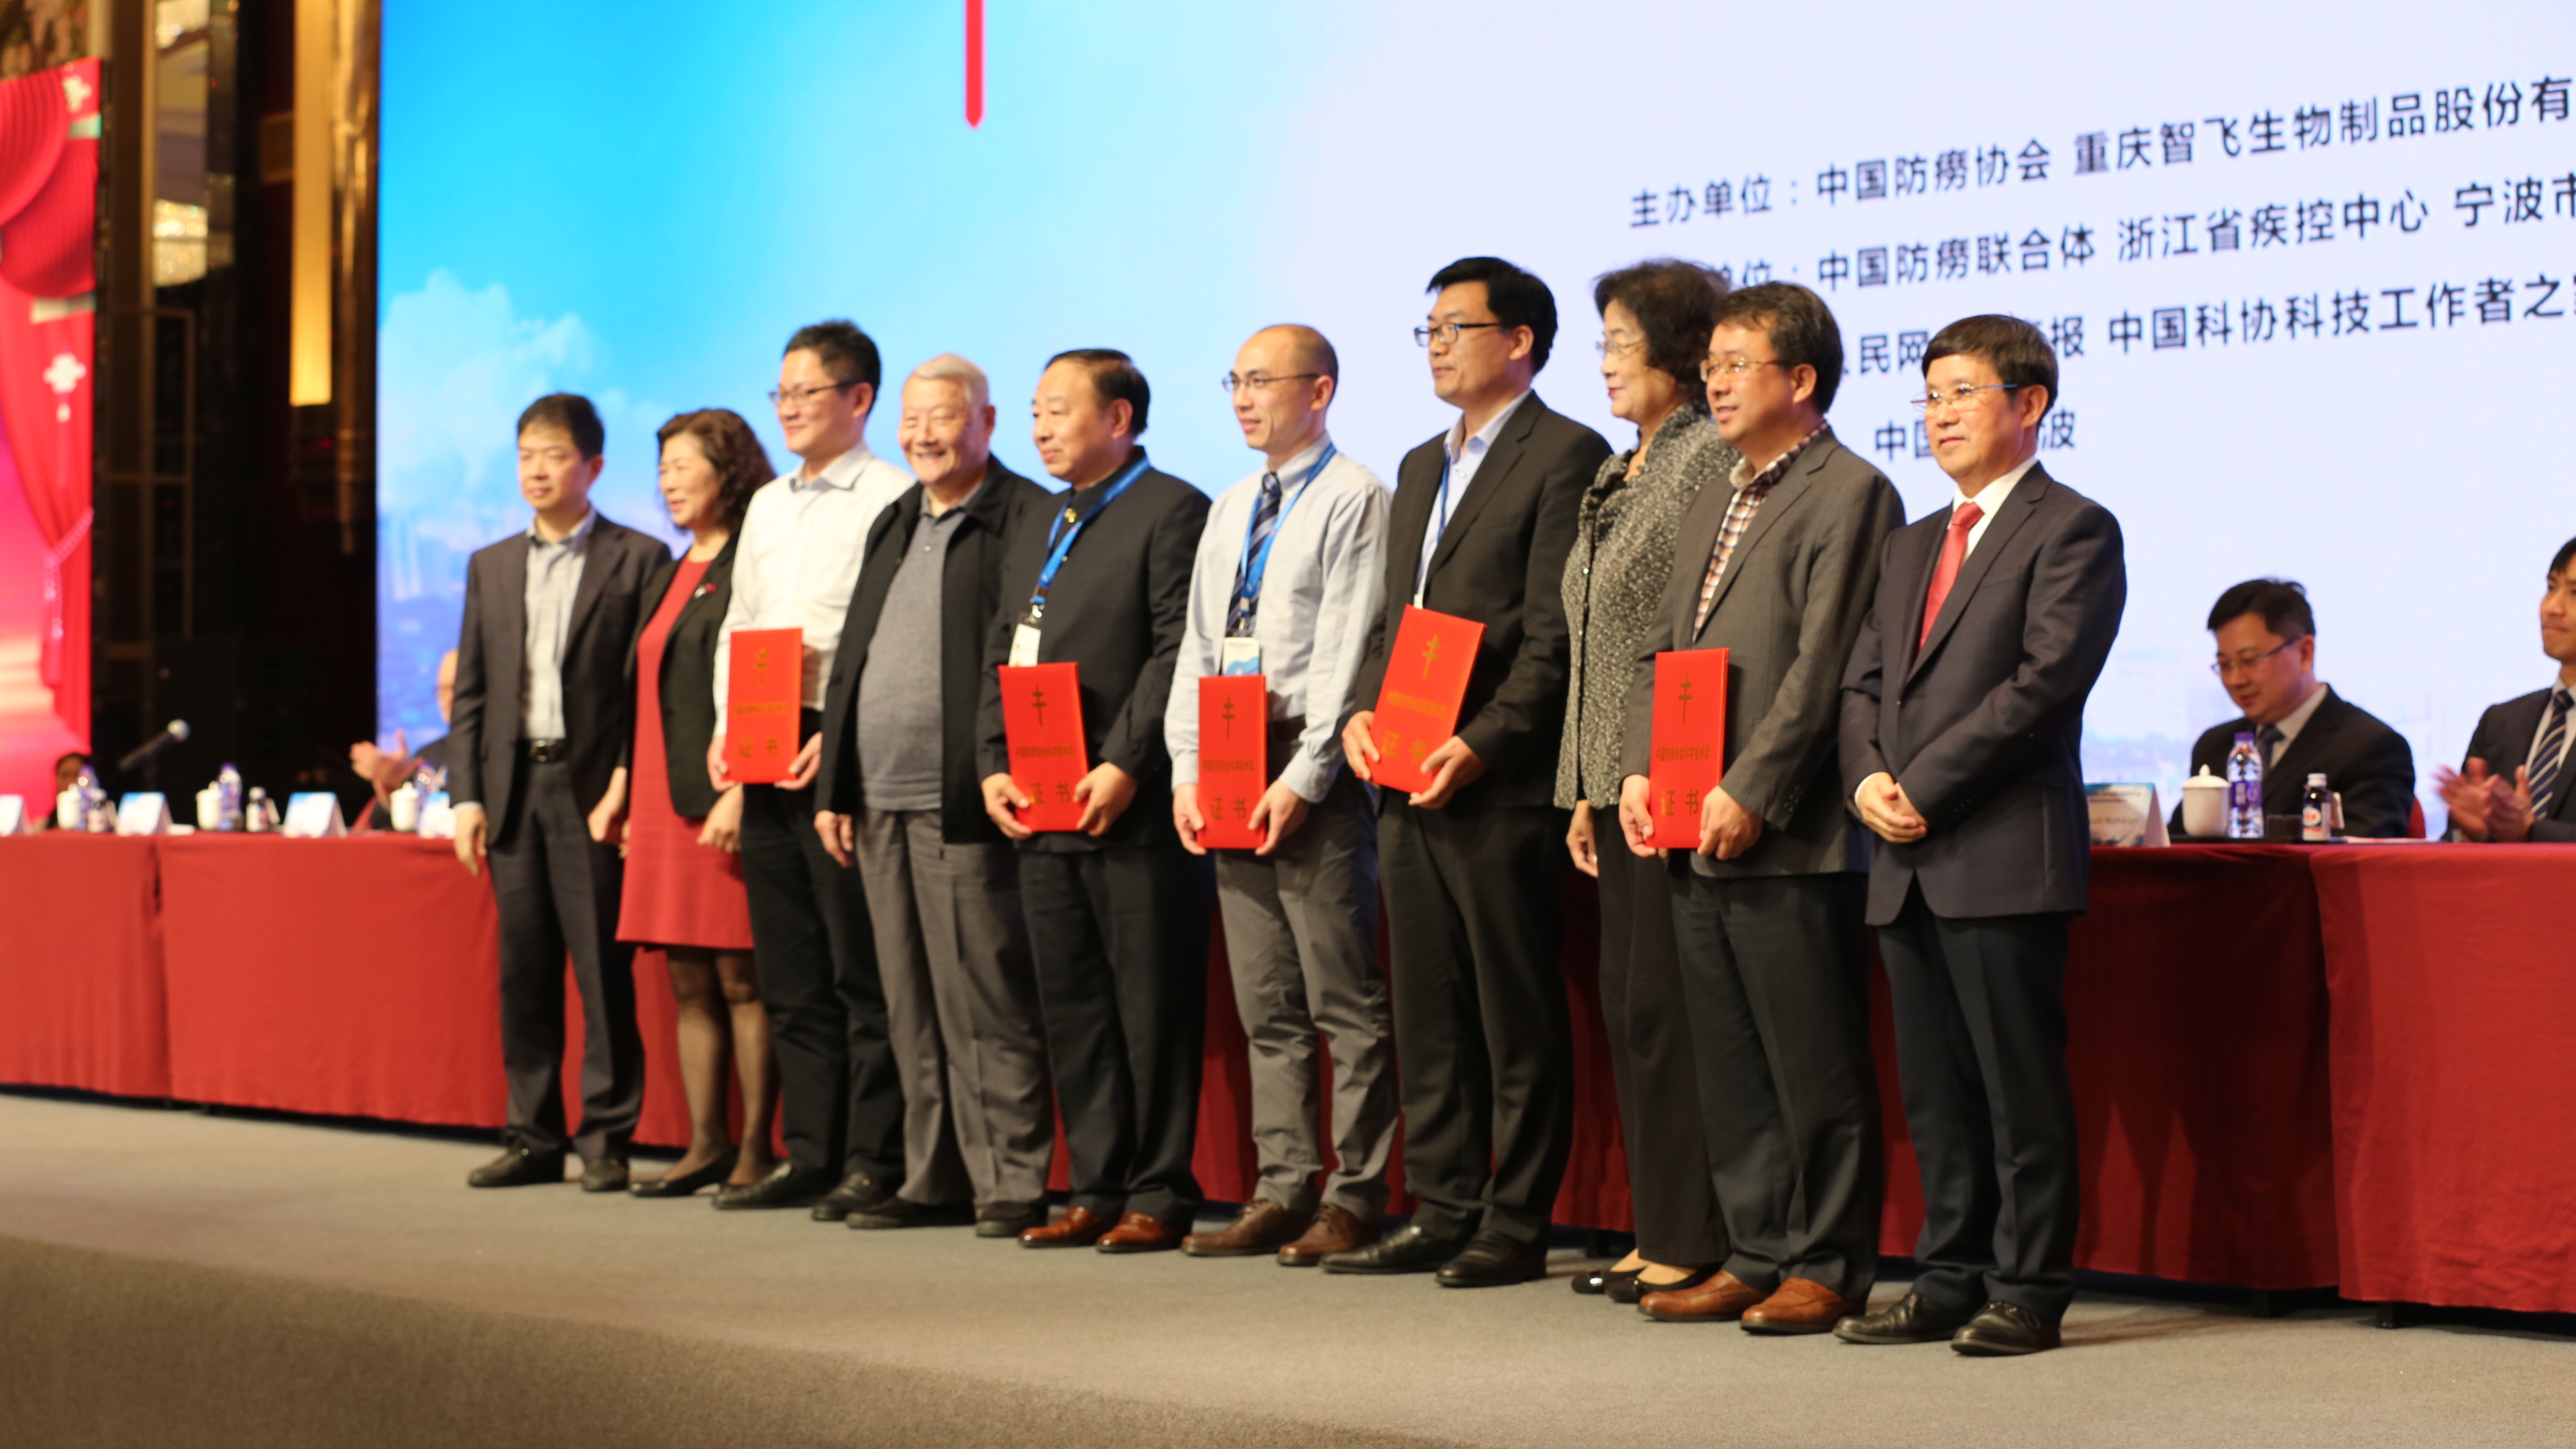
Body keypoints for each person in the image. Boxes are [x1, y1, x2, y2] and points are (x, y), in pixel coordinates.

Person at [1613, 280, 1903, 1332]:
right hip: (1691, 820)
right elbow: (1662, 649)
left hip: (1791, 831)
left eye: (1737, 366)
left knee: (1811, 1060)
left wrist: (1753, 788)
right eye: (1711, 368)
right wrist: (1641, 768)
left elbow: (1825, 667)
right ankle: (1755, 1249)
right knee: (1729, 1059)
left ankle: (1827, 1262)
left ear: (1802, 378)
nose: (1716, 385)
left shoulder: (1852, 491)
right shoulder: (1714, 493)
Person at [1835, 316, 2125, 1356]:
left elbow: (2042, 686)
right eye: (1930, 396)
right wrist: (1867, 778)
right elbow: (1862, 683)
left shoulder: (2074, 528)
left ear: (2029, 402)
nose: (1940, 414)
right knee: (1936, 1095)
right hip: (1902, 856)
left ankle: (2029, 1288)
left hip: (2001, 850)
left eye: (1963, 392)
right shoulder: (1910, 542)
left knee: (2015, 1089)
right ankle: (1947, 1277)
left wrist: (1923, 784)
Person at [1328, 257, 1612, 1287]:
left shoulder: (1568, 454)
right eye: (1430, 330)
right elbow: (1396, 619)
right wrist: (1362, 712)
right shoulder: (1420, 464)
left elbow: (1554, 637)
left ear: (1520, 341)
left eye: (1457, 327)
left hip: (1499, 782)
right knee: (1430, 1007)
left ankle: (1517, 1218)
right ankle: (1442, 1204)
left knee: (1512, 1009)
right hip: (1405, 772)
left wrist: (1484, 742)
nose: (1438, 345)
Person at [1166, 325, 1397, 1266]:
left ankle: (1356, 1195)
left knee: (1344, 998)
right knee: (1266, 1002)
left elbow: (1349, 645)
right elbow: (1198, 647)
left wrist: (1305, 776)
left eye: (1262, 381)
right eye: (1236, 381)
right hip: (1228, 757)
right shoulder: (1232, 506)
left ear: (1320, 390)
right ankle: (1280, 1185)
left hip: (1312, 767)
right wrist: (1185, 769)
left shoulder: (1355, 495)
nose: (1243, 398)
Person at [813, 356, 1056, 1238]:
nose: (922, 435)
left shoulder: (1025, 516)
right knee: (908, 1002)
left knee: (984, 998)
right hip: (877, 798)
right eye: (911, 419)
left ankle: (1010, 1180)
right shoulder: (896, 517)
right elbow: (852, 656)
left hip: (964, 798)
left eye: (942, 417)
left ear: (985, 421)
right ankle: (932, 1175)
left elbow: (1024, 657)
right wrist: (835, 785)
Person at [977, 348, 1212, 1254]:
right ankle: (1095, 1186)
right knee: (1073, 1006)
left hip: (1129, 807)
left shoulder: (1172, 509)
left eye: (1058, 409)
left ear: (1118, 418)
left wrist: (1123, 764)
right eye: (1034, 411)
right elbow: (1004, 648)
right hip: (1040, 802)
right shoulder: (1045, 516)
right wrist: (992, 761)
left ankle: (1159, 1190)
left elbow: (1173, 652)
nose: (1040, 427)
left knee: (1151, 1007)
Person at [1550, 261, 1737, 1303]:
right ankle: (1657, 1224)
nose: (1606, 364)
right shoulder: (1627, 466)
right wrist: (1584, 781)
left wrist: (1638, 769)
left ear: (1677, 350)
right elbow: (1595, 640)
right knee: (1631, 1008)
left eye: (1621, 342)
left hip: (1676, 773)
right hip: (1615, 779)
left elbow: (1677, 637)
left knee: (1667, 1010)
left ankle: (1691, 1233)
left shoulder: (1707, 456)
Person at [705, 321, 916, 1218]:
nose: (787, 409)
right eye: (780, 394)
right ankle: (810, 1152)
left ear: (859, 398)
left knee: (858, 967)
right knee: (790, 970)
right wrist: (726, 727)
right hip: (759, 734)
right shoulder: (766, 504)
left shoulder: (892, 496)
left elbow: (893, 638)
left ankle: (875, 1157)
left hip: (841, 739)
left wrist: (845, 734)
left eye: (806, 393)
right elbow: (741, 620)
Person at [447, 393, 668, 1191]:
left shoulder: (638, 558)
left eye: (555, 455)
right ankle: (532, 1137)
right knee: (525, 972)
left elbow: (645, 693)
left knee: (603, 972)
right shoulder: (491, 564)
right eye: (526, 456)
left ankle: (607, 1140)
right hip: (512, 791)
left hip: (592, 791)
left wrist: (628, 787)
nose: (537, 470)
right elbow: (472, 692)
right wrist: (466, 798)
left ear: (593, 466)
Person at [584, 409, 777, 1199]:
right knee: (687, 982)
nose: (667, 481)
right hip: (661, 802)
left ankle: (756, 1150)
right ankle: (705, 1144)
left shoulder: (753, 559)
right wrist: (622, 790)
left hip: (721, 797)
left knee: (742, 982)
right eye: (661, 468)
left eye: (682, 465)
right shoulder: (667, 569)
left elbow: (762, 675)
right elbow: (644, 695)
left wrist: (742, 788)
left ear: (727, 471)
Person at [2169, 580, 2415, 840]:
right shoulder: (2215, 746)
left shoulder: (2370, 748)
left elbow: (2356, 854)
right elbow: (2176, 844)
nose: (2236, 679)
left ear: (2305, 653)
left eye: (2250, 660)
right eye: (2225, 665)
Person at [2437, 536, 2576, 843]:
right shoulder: (2500, 722)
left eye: (2574, 593)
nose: (2552, 608)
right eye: (2551, 588)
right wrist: (2474, 833)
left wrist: (2530, 831)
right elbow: (2452, 841)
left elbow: (2526, 831)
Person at [350, 651, 456, 826]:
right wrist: (392, 784)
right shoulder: (428, 754)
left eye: (456, 688)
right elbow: (383, 822)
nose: (449, 698)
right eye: (442, 690)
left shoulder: (498, 752)